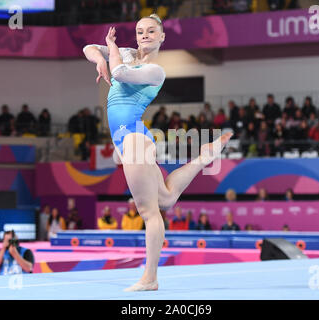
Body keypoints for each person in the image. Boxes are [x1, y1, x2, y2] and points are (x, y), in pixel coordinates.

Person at [83, 14, 232, 291]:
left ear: (162, 36)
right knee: (165, 197)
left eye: (151, 31)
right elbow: (87, 49)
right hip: (128, 138)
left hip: (133, 139)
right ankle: (203, 158)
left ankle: (150, 277)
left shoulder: (155, 70)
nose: (145, 35)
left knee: (149, 212)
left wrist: (111, 47)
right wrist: (100, 57)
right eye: (140, 31)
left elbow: (119, 74)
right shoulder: (126, 54)